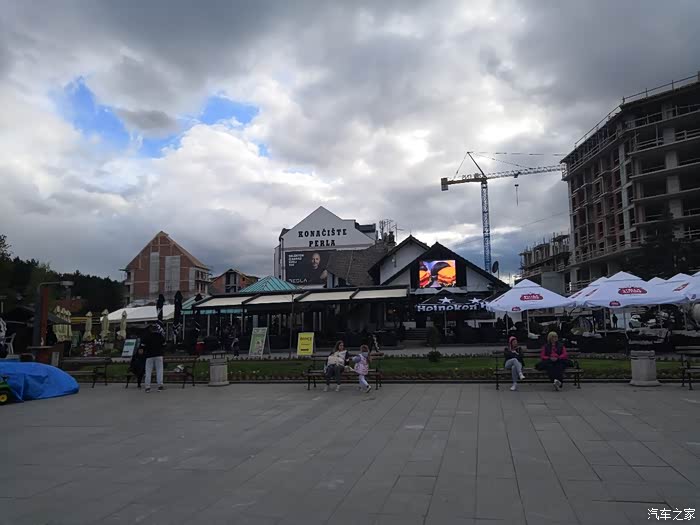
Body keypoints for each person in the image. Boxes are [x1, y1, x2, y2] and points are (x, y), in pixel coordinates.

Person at [142, 322, 165, 393]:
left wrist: (145, 350)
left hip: (149, 355)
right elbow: (164, 345)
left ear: (151, 329)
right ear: (157, 329)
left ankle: (147, 387)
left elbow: (142, 346)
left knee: (148, 371)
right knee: (159, 370)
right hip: (159, 355)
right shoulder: (160, 336)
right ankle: (160, 386)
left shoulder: (147, 336)